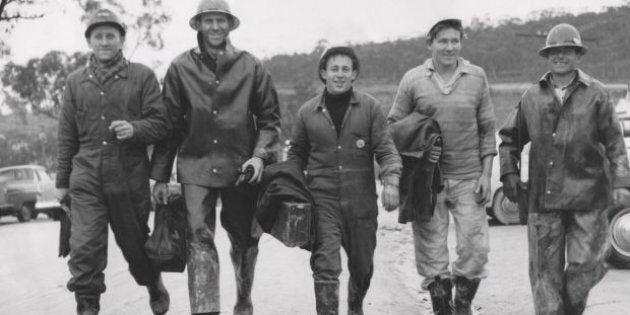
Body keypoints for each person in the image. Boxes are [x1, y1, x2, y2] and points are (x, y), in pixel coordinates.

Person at [149, 0, 281, 314]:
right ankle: (206, 309)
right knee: (198, 236)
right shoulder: (180, 67)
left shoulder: (251, 65)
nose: (215, 27)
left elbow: (270, 120)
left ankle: (244, 296)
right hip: (195, 165)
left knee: (245, 237)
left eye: (221, 20)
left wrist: (260, 156)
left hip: (241, 166)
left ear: (230, 24)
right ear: (198, 25)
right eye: (208, 20)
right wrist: (160, 176)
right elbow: (169, 126)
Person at [498, 23, 630, 315]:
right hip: (543, 200)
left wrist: (622, 183)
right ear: (547, 56)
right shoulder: (532, 96)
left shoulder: (597, 94)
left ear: (577, 55)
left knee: (591, 262)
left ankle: (567, 310)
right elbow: (509, 139)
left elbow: (615, 143)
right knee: (545, 274)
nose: (560, 56)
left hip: (589, 197)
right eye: (554, 51)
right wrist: (508, 172)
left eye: (566, 51)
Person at [55, 8, 170, 315]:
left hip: (128, 174)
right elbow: (66, 136)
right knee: (84, 248)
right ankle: (87, 307)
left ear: (121, 39)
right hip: (86, 176)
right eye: (98, 36)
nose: (104, 42)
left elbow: (161, 124)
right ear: (90, 41)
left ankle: (152, 282)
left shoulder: (143, 76)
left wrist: (135, 129)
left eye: (110, 36)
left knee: (135, 246)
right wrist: (61, 182)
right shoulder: (75, 82)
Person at [387, 18, 496, 315]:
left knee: (476, 249)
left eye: (454, 41)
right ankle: (441, 309)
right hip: (426, 181)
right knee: (430, 250)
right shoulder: (413, 79)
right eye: (443, 41)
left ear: (461, 43)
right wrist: (420, 143)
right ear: (430, 44)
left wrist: (487, 174)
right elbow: (393, 126)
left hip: (469, 177)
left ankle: (462, 303)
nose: (449, 47)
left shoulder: (476, 76)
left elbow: (487, 129)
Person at [287, 46, 402, 315]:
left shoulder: (371, 107)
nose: (339, 74)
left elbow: (386, 149)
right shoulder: (306, 113)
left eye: (345, 69)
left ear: (354, 74)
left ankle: (355, 306)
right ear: (323, 73)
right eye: (334, 69)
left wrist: (392, 181)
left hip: (361, 203)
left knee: (363, 267)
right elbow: (296, 156)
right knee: (325, 265)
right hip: (322, 201)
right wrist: (290, 189)